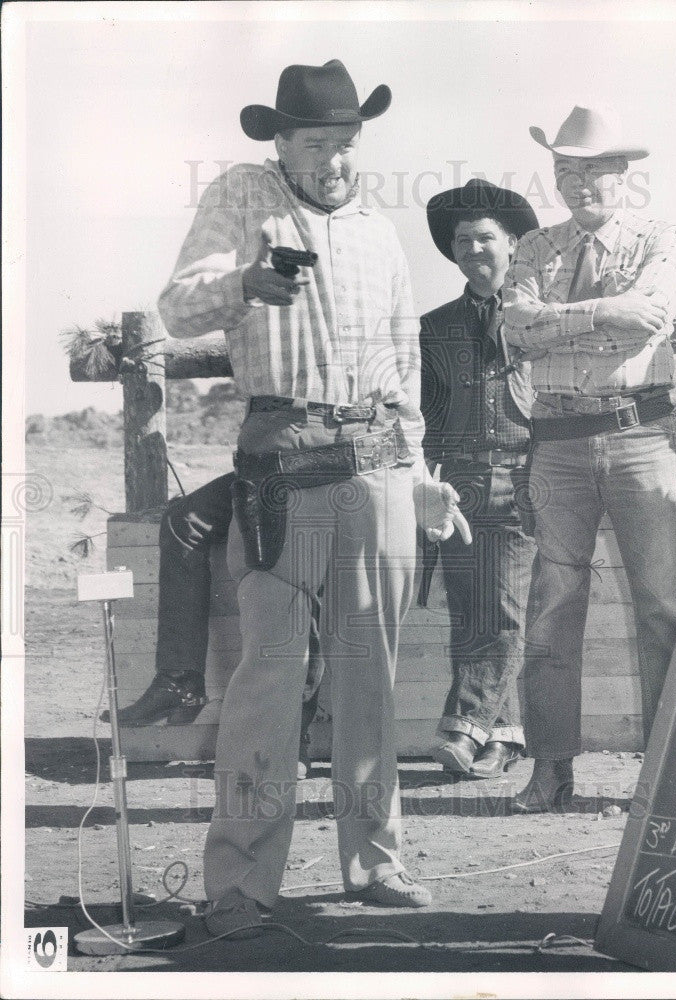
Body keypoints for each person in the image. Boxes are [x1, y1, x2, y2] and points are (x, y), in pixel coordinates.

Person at [158, 59, 470, 936]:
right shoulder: (242, 196)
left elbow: (405, 368)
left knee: (371, 677)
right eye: (316, 143)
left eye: (345, 142)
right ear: (282, 142)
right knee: (269, 678)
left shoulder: (376, 227)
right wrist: (244, 285)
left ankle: (375, 861)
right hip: (283, 460)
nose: (334, 158)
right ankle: (241, 886)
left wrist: (419, 477)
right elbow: (179, 307)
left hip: (374, 463)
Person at [502, 106, 676, 812]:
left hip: (641, 437)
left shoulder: (658, 236)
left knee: (662, 606)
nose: (578, 183)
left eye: (593, 169)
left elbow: (649, 316)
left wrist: (558, 326)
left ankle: (669, 774)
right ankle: (550, 771)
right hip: (556, 444)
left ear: (621, 174)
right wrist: (598, 321)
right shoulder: (533, 247)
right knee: (552, 606)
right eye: (565, 170)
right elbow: (513, 325)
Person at [419, 179, 539, 778]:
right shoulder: (433, 327)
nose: (472, 248)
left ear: (513, 244)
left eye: (485, 237)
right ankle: (504, 738)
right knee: (471, 615)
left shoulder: (540, 318)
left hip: (525, 478)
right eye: (462, 240)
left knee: (505, 611)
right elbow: (424, 412)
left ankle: (463, 728)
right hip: (458, 489)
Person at [100, 475, 324, 778]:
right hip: (265, 467)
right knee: (185, 520)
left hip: (330, 475)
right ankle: (179, 681)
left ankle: (292, 735)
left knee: (294, 551)